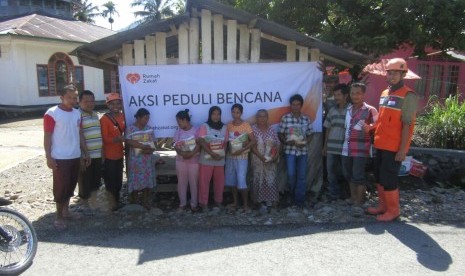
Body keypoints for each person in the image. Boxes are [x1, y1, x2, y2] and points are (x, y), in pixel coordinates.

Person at [367, 58, 418, 222]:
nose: (392, 75)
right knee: (379, 177)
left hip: (393, 146)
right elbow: (383, 120)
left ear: (403, 74)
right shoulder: (384, 93)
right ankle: (383, 206)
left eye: (396, 72)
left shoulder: (408, 95)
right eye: (389, 72)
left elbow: (407, 125)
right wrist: (371, 128)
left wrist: (403, 149)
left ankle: (393, 210)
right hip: (380, 143)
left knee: (389, 178)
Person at [44, 84, 90, 231]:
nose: (72, 100)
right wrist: (48, 157)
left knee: (70, 185)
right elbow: (47, 136)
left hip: (75, 156)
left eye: (75, 97)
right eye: (69, 97)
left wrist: (86, 153)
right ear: (61, 97)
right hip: (60, 157)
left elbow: (80, 134)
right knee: (60, 188)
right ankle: (58, 216)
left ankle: (66, 211)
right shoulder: (52, 113)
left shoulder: (77, 113)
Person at [341, 83, 378, 207]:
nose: (355, 96)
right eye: (352, 93)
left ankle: (360, 200)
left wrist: (370, 128)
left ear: (363, 94)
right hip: (346, 148)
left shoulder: (370, 110)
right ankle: (353, 197)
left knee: (358, 174)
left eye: (358, 93)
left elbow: (378, 126)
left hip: (361, 149)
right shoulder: (348, 109)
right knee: (348, 173)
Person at [278, 94, 313, 208]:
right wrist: (286, 142)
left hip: (302, 151)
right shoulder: (285, 118)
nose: (295, 107)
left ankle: (300, 200)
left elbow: (310, 134)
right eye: (293, 104)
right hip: (289, 151)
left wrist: (305, 142)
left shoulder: (306, 119)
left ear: (301, 105)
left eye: (298, 104)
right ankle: (292, 195)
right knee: (291, 174)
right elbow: (280, 133)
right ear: (290, 105)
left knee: (302, 176)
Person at [225, 104, 256, 212]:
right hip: (230, 157)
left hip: (242, 157)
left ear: (241, 113)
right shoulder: (228, 125)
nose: (235, 114)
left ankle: (246, 205)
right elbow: (226, 141)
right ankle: (235, 202)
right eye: (233, 112)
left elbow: (253, 141)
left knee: (241, 180)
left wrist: (242, 149)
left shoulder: (246, 125)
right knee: (232, 180)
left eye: (237, 112)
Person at [197, 106, 228, 211]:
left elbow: (226, 143)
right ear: (210, 115)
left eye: (218, 114)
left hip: (219, 159)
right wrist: (211, 152)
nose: (216, 116)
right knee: (204, 181)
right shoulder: (204, 126)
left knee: (219, 182)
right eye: (214, 114)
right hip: (206, 159)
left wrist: (222, 154)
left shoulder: (224, 127)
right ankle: (203, 203)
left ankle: (218, 201)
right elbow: (201, 141)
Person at [322, 84, 350, 201]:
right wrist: (325, 146)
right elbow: (328, 128)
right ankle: (334, 194)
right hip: (331, 147)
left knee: (346, 172)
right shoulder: (332, 110)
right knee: (331, 172)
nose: (336, 97)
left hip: (345, 147)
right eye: (335, 95)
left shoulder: (351, 110)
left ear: (346, 95)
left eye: (338, 95)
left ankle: (348, 194)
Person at [125, 108, 156, 210]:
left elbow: (154, 144)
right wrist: (142, 148)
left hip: (147, 160)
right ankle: (134, 201)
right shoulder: (130, 129)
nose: (147, 120)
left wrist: (150, 150)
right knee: (135, 179)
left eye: (148, 118)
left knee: (147, 180)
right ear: (138, 117)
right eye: (145, 118)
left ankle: (145, 201)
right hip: (136, 160)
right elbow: (128, 142)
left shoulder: (149, 129)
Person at [77, 90, 102, 215]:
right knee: (85, 179)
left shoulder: (95, 114)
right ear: (80, 102)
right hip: (85, 154)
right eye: (86, 101)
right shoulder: (77, 115)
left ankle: (93, 201)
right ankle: (84, 203)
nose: (90, 103)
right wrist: (83, 154)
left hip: (97, 153)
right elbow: (78, 135)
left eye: (92, 101)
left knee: (95, 179)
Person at [250, 109, 281, 209]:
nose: (262, 118)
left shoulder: (271, 129)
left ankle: (271, 199)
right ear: (256, 118)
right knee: (258, 178)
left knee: (270, 178)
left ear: (267, 118)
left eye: (264, 116)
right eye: (259, 116)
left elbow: (278, 143)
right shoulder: (253, 129)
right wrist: (260, 157)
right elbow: (251, 145)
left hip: (270, 159)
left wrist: (275, 156)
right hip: (257, 158)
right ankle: (259, 200)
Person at [100, 92, 125, 210]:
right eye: (112, 103)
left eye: (117, 103)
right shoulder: (104, 119)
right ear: (108, 105)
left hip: (120, 154)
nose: (115, 105)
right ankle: (112, 204)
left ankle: (117, 201)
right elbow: (104, 138)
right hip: (109, 156)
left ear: (121, 104)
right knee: (110, 181)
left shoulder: (123, 117)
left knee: (118, 180)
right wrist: (117, 139)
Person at [173, 109, 200, 212]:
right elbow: (175, 145)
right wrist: (182, 154)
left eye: (179, 121)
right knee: (181, 182)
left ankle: (194, 204)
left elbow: (199, 145)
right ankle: (182, 203)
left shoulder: (196, 130)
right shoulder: (178, 131)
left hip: (194, 161)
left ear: (185, 120)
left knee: (194, 182)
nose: (178, 124)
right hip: (181, 160)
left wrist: (191, 154)